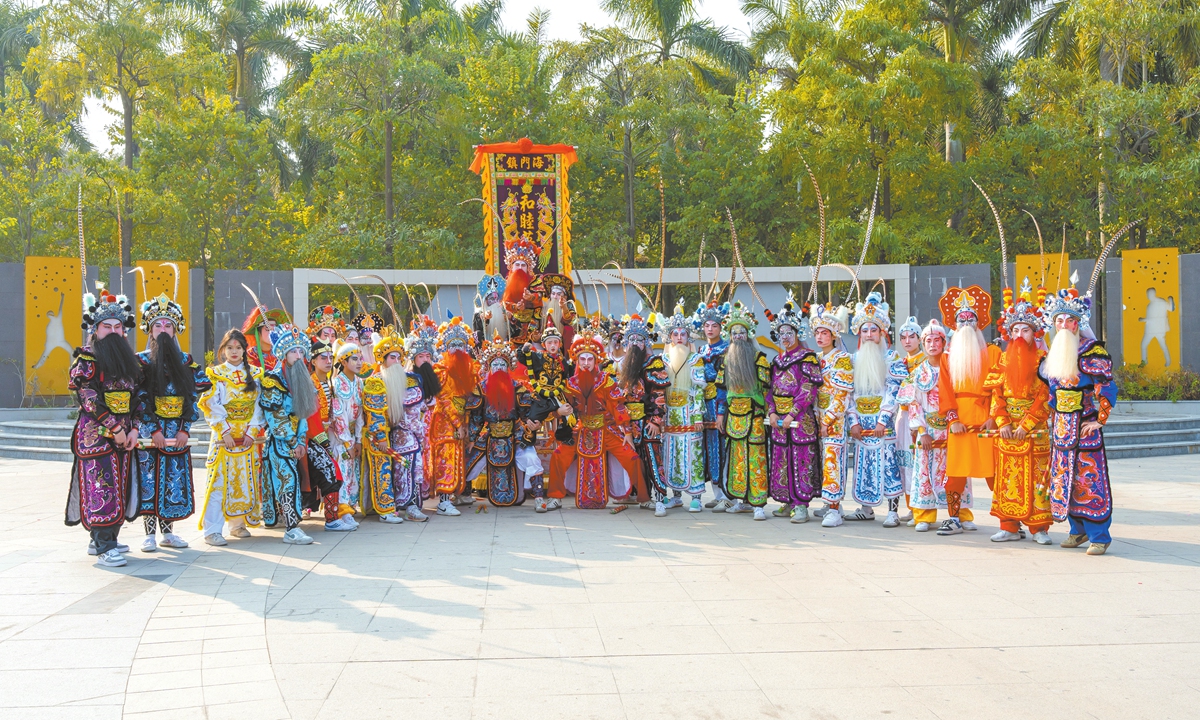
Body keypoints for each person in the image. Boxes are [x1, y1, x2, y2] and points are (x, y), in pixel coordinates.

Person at [1040, 284, 1118, 555]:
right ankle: (1077, 530)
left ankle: (1100, 535)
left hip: (1085, 427)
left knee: (1089, 479)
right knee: (1065, 479)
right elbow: (1052, 393)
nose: (1063, 325)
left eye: (1069, 321)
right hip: (1061, 429)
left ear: (1077, 323)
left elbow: (1106, 386)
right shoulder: (1055, 354)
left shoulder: (1091, 351)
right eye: (1058, 321)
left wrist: (1101, 419)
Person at [67, 290, 141, 567]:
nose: (112, 331)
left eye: (117, 327)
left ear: (124, 330)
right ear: (95, 329)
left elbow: (137, 400)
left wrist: (133, 429)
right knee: (101, 485)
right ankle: (103, 546)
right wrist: (114, 427)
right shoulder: (87, 360)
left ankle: (107, 537)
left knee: (120, 484)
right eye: (106, 326)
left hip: (124, 434)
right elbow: (88, 398)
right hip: (96, 434)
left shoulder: (129, 361)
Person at [135, 292, 210, 552]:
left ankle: (168, 533)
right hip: (150, 431)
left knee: (173, 480)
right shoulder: (142, 361)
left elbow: (193, 395)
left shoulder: (185, 361)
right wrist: (152, 429)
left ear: (175, 330)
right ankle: (148, 534)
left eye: (168, 325)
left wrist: (185, 430)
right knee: (149, 480)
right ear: (150, 330)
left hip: (176, 431)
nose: (163, 330)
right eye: (158, 325)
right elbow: (140, 398)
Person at [986, 279, 1053, 545]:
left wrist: (1025, 425)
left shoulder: (1044, 360)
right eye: (1015, 330)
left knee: (1038, 478)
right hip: (1006, 429)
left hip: (1033, 429)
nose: (1019, 335)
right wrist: (1002, 421)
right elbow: (996, 393)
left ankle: (1040, 528)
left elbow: (1045, 397)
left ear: (1034, 333)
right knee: (1007, 477)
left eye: (1025, 330)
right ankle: (1008, 526)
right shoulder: (1003, 360)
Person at [547, 333, 647, 508]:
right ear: (577, 362)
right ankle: (555, 496)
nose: (586, 363)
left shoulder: (606, 381)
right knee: (558, 456)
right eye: (582, 359)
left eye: (589, 360)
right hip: (581, 429)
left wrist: (628, 433)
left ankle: (645, 498)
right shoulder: (570, 384)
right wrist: (558, 411)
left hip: (606, 429)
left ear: (596, 362)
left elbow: (619, 407)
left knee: (632, 458)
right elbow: (560, 408)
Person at [934, 285, 999, 536]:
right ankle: (953, 518)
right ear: (954, 326)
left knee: (995, 472)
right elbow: (945, 392)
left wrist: (994, 417)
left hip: (986, 420)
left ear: (978, 324)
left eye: (971, 320)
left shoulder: (993, 353)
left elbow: (999, 390)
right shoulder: (948, 358)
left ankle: (1009, 518)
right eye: (961, 321)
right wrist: (952, 420)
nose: (966, 325)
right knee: (956, 473)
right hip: (960, 421)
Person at [844, 292, 907, 527]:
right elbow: (848, 395)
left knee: (889, 464)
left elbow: (893, 391)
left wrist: (883, 420)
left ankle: (893, 511)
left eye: (873, 330)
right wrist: (853, 423)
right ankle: (866, 508)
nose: (869, 335)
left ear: (882, 333)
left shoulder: (891, 358)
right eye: (865, 331)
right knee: (863, 465)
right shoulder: (852, 359)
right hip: (861, 422)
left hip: (884, 423)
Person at [197, 329, 265, 546]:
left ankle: (237, 524)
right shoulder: (215, 374)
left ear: (245, 350)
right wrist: (224, 431)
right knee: (218, 483)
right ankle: (212, 530)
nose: (234, 351)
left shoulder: (255, 373)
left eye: (238, 347)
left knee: (244, 479)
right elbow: (212, 405)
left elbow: (257, 405)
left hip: (246, 436)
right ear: (223, 350)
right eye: (230, 347)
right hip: (223, 437)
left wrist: (251, 432)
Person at [471, 334, 547, 508]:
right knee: (468, 461)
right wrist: (471, 438)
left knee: (531, 458)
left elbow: (527, 412)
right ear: (489, 367)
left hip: (515, 434)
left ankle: (539, 499)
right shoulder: (481, 388)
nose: (498, 368)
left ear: (508, 367)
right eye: (495, 364)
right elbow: (476, 419)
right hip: (490, 435)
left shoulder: (518, 388)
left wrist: (532, 423)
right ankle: (464, 494)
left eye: (502, 364)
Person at [764, 297, 823, 523]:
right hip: (779, 420)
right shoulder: (777, 360)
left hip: (799, 420)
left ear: (798, 334)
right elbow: (770, 390)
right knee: (781, 458)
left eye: (789, 332)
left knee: (802, 459)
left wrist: (792, 413)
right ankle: (788, 500)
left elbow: (808, 389)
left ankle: (801, 505)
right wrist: (772, 411)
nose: (785, 337)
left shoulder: (807, 358)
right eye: (782, 333)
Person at [258, 323, 316, 544]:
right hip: (279, 441)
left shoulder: (302, 379)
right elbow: (275, 417)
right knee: (287, 479)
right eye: (293, 351)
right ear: (284, 353)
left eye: (301, 351)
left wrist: (301, 440)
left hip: (296, 440)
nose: (298, 355)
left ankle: (291, 522)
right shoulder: (272, 381)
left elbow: (303, 414)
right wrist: (293, 441)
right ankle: (291, 528)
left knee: (294, 479)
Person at [362, 325, 426, 522]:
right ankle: (387, 508)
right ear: (383, 361)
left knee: (413, 467)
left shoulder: (411, 382)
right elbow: (375, 415)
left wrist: (417, 432)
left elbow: (417, 412)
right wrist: (380, 435)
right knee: (385, 471)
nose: (397, 362)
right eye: (392, 358)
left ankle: (413, 506)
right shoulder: (376, 382)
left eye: (399, 357)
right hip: (382, 437)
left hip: (406, 435)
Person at [898, 320, 955, 532]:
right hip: (928, 429)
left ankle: (960, 514)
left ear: (944, 342)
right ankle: (924, 515)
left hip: (951, 427)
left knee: (954, 472)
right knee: (923, 470)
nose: (932, 345)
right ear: (923, 344)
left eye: (936, 340)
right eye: (928, 340)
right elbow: (914, 403)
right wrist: (921, 431)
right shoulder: (919, 372)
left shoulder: (953, 367)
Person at [716, 303, 771, 520]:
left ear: (749, 335)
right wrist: (721, 414)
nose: (738, 336)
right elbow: (721, 392)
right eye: (734, 333)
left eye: (742, 332)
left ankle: (757, 503)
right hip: (733, 416)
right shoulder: (726, 361)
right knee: (737, 457)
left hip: (755, 414)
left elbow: (768, 391)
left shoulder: (760, 359)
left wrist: (768, 413)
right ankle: (741, 501)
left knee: (756, 457)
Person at [615, 315, 670, 512]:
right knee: (632, 458)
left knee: (653, 458)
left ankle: (660, 497)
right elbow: (618, 399)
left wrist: (656, 421)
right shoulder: (623, 366)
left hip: (647, 420)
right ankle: (638, 494)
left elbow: (659, 394)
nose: (635, 343)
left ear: (646, 342)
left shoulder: (654, 363)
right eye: (632, 340)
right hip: (629, 423)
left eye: (639, 339)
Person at [428, 318, 482, 513]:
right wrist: (458, 423)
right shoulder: (440, 370)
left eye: (461, 345)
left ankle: (453, 496)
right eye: (453, 345)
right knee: (446, 460)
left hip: (459, 423)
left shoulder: (467, 371)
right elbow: (443, 400)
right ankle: (443, 500)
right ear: (446, 348)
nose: (458, 349)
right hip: (444, 421)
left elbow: (468, 402)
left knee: (458, 459)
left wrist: (465, 425)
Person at [659, 303, 707, 514]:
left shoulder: (695, 359)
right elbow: (659, 391)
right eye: (675, 334)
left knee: (692, 454)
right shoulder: (663, 360)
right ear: (669, 337)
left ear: (689, 337)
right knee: (672, 455)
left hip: (689, 415)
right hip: (670, 415)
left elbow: (698, 390)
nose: (679, 338)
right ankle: (675, 496)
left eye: (683, 334)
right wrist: (659, 416)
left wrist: (698, 416)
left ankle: (696, 497)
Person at [809, 303, 853, 527]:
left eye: (824, 333)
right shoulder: (816, 358)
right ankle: (829, 502)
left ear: (834, 335)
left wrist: (827, 420)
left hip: (834, 419)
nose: (820, 336)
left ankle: (834, 509)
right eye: (817, 332)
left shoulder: (842, 359)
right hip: (817, 418)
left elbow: (842, 395)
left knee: (833, 462)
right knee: (822, 464)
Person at [303, 337, 353, 531]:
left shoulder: (331, 383)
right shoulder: (309, 384)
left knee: (335, 472)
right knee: (331, 472)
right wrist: (322, 440)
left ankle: (336, 515)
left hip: (327, 436)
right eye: (322, 357)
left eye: (330, 357)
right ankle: (332, 519)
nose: (327, 361)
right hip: (311, 437)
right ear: (313, 361)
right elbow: (310, 416)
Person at [693, 301, 732, 511]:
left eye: (714, 326)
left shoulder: (727, 349)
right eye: (707, 325)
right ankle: (717, 494)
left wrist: (721, 412)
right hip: (704, 404)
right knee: (710, 449)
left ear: (720, 327)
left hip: (720, 401)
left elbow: (725, 381)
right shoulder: (701, 349)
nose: (710, 329)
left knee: (723, 447)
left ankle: (728, 494)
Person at [330, 339, 365, 526]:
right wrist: (347, 442)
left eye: (360, 358)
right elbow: (339, 416)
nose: (359, 362)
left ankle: (350, 505)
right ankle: (341, 510)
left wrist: (358, 439)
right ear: (343, 362)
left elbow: (360, 413)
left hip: (352, 435)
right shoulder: (336, 384)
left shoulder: (359, 383)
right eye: (354, 359)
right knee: (342, 469)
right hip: (339, 436)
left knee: (352, 470)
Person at [895, 316, 924, 524]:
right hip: (902, 415)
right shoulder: (899, 363)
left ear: (919, 339)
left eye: (911, 337)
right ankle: (912, 507)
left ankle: (922, 507)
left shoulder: (927, 361)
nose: (907, 341)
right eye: (903, 337)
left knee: (918, 462)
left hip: (921, 415)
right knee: (904, 461)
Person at [243, 306, 288, 373]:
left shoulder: (282, 353)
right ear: (258, 332)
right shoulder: (249, 356)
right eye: (267, 329)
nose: (272, 333)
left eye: (274, 329)